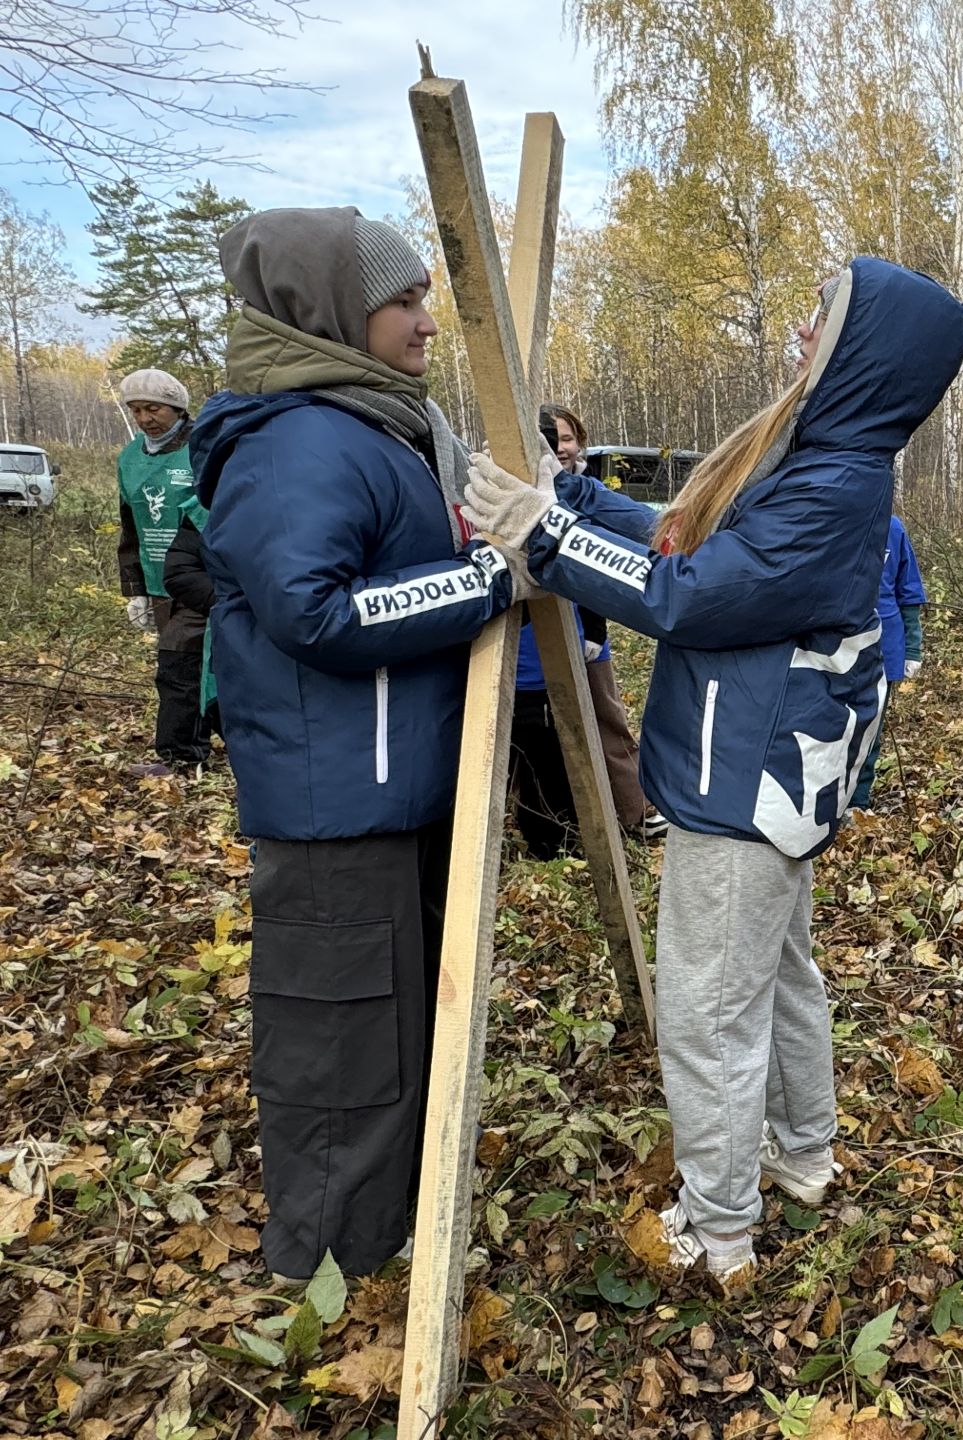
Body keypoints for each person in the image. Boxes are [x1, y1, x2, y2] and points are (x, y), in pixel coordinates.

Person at [459, 258, 963, 1281]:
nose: (798, 333)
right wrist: (574, 501)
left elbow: (687, 593)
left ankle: (720, 1231)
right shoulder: (814, 456)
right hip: (763, 777)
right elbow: (679, 535)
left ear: (862, 352)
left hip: (744, 787)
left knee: (706, 1012)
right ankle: (802, 1156)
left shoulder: (834, 483)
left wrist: (546, 536)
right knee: (777, 982)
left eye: (820, 320)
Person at [190, 207, 527, 1281]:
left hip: (396, 792)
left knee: (396, 1040)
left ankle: (386, 1247)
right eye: (407, 299)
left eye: (429, 295)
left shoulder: (376, 425)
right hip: (336, 808)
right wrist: (483, 583)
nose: (427, 321)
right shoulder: (294, 441)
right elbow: (314, 612)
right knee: (343, 1052)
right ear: (333, 310)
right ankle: (325, 1282)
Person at [504, 404, 654, 856]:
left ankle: (633, 813)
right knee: (538, 742)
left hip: (586, 639)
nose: (561, 447)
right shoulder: (515, 496)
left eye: (567, 438)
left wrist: (594, 631)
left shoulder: (590, 492)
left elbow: (620, 553)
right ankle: (550, 831)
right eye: (551, 440)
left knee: (607, 725)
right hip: (531, 647)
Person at [116, 369, 207, 774]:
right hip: (159, 580)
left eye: (153, 408)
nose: (144, 418)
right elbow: (129, 524)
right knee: (196, 666)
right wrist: (134, 587)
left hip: (200, 575)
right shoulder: (131, 457)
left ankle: (178, 754)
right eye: (135, 410)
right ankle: (204, 741)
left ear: (177, 407)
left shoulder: (203, 446)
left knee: (177, 662)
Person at [850, 511, 925, 810]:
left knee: (871, 729)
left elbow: (908, 591)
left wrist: (913, 648)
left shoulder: (893, 528)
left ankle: (858, 801)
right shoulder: (837, 519)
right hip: (837, 644)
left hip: (885, 647)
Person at [161, 501, 221, 750]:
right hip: (218, 602)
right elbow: (179, 571)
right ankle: (180, 752)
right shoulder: (202, 509)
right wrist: (233, 602)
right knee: (176, 647)